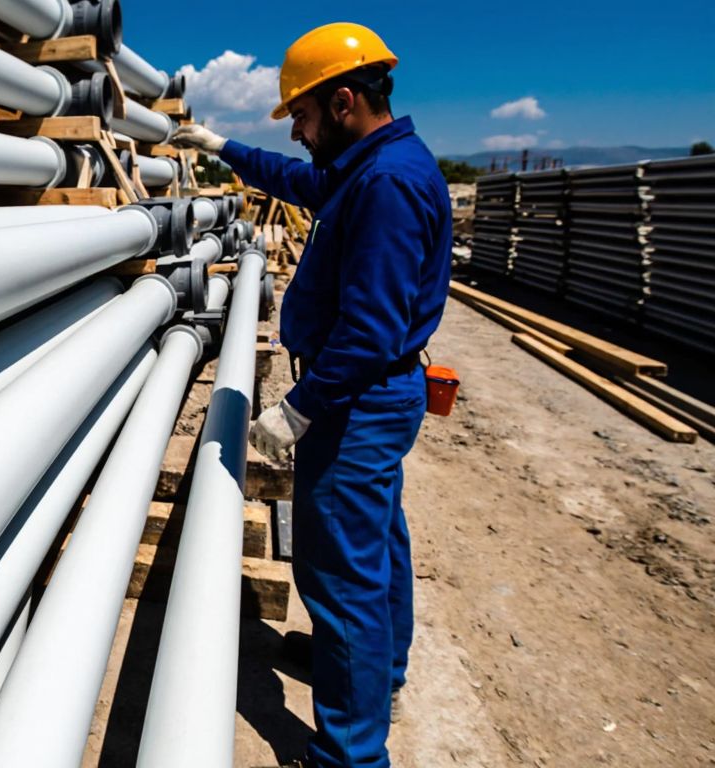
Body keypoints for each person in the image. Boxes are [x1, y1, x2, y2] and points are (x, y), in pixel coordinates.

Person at [172, 22, 451, 768]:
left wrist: (297, 411)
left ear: (344, 101)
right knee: (377, 544)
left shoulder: (388, 184)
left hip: (358, 402)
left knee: (340, 571)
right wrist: (222, 148)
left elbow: (369, 329)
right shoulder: (371, 164)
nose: (296, 133)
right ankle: (377, 674)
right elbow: (298, 181)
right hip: (372, 400)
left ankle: (352, 754)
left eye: (300, 115)